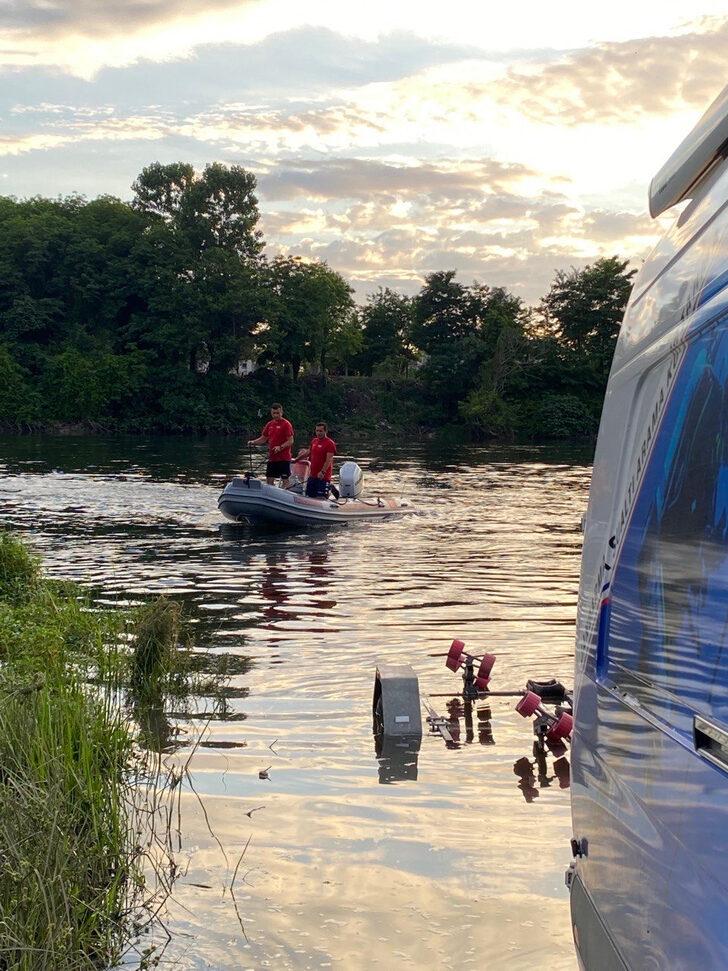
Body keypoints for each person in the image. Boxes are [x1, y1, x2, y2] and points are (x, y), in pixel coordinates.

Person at [248, 403, 294, 486]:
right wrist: (253, 442)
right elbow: (263, 438)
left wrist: (280, 447)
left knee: (285, 480)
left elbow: (290, 441)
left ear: (281, 412)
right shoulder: (270, 424)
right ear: (271, 413)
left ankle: (284, 496)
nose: (276, 415)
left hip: (284, 458)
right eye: (274, 413)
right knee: (269, 480)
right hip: (272, 458)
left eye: (278, 413)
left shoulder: (286, 424)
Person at [296, 422, 337, 498]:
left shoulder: (330, 443)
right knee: (309, 496)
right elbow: (308, 452)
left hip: (323, 476)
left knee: (320, 497)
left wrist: (322, 472)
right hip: (312, 475)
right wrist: (297, 459)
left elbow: (329, 460)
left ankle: (329, 488)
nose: (318, 433)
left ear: (325, 431)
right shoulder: (314, 441)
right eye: (317, 431)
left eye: (321, 431)